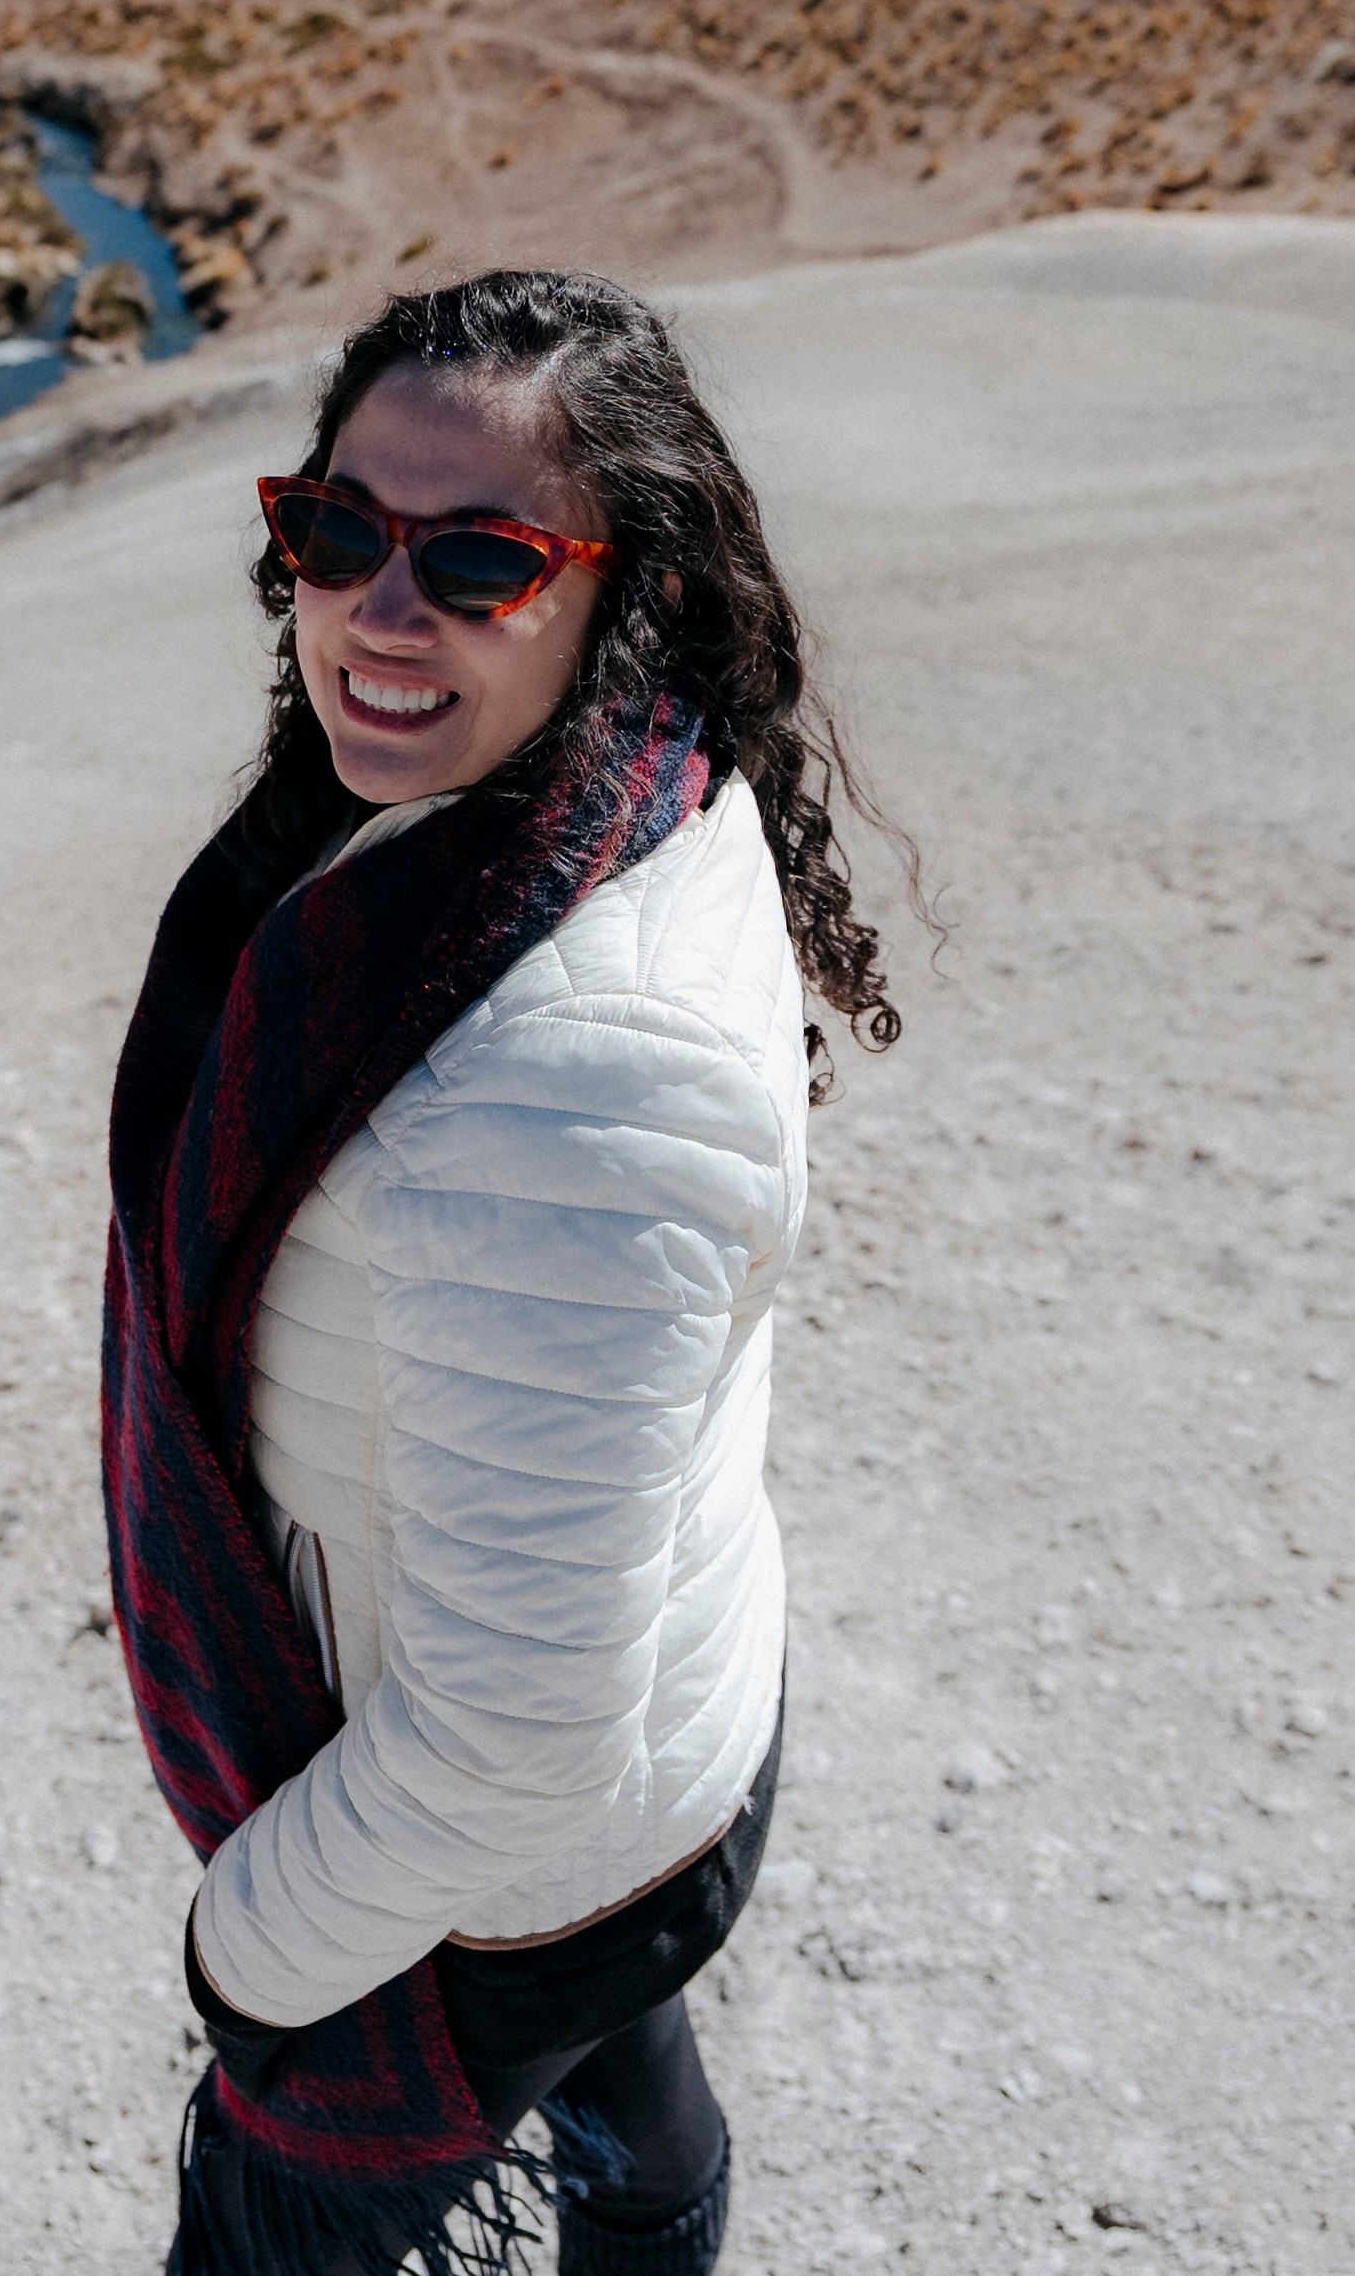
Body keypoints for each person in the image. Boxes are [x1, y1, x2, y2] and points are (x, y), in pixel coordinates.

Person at [103, 267, 901, 2276]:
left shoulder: (564, 1066)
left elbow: (506, 1740)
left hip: (500, 1879)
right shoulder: (596, 800)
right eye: (335, 532)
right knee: (635, 2153)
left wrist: (249, 1952)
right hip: (656, 1764)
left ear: (616, 592)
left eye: (477, 558)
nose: (382, 608)